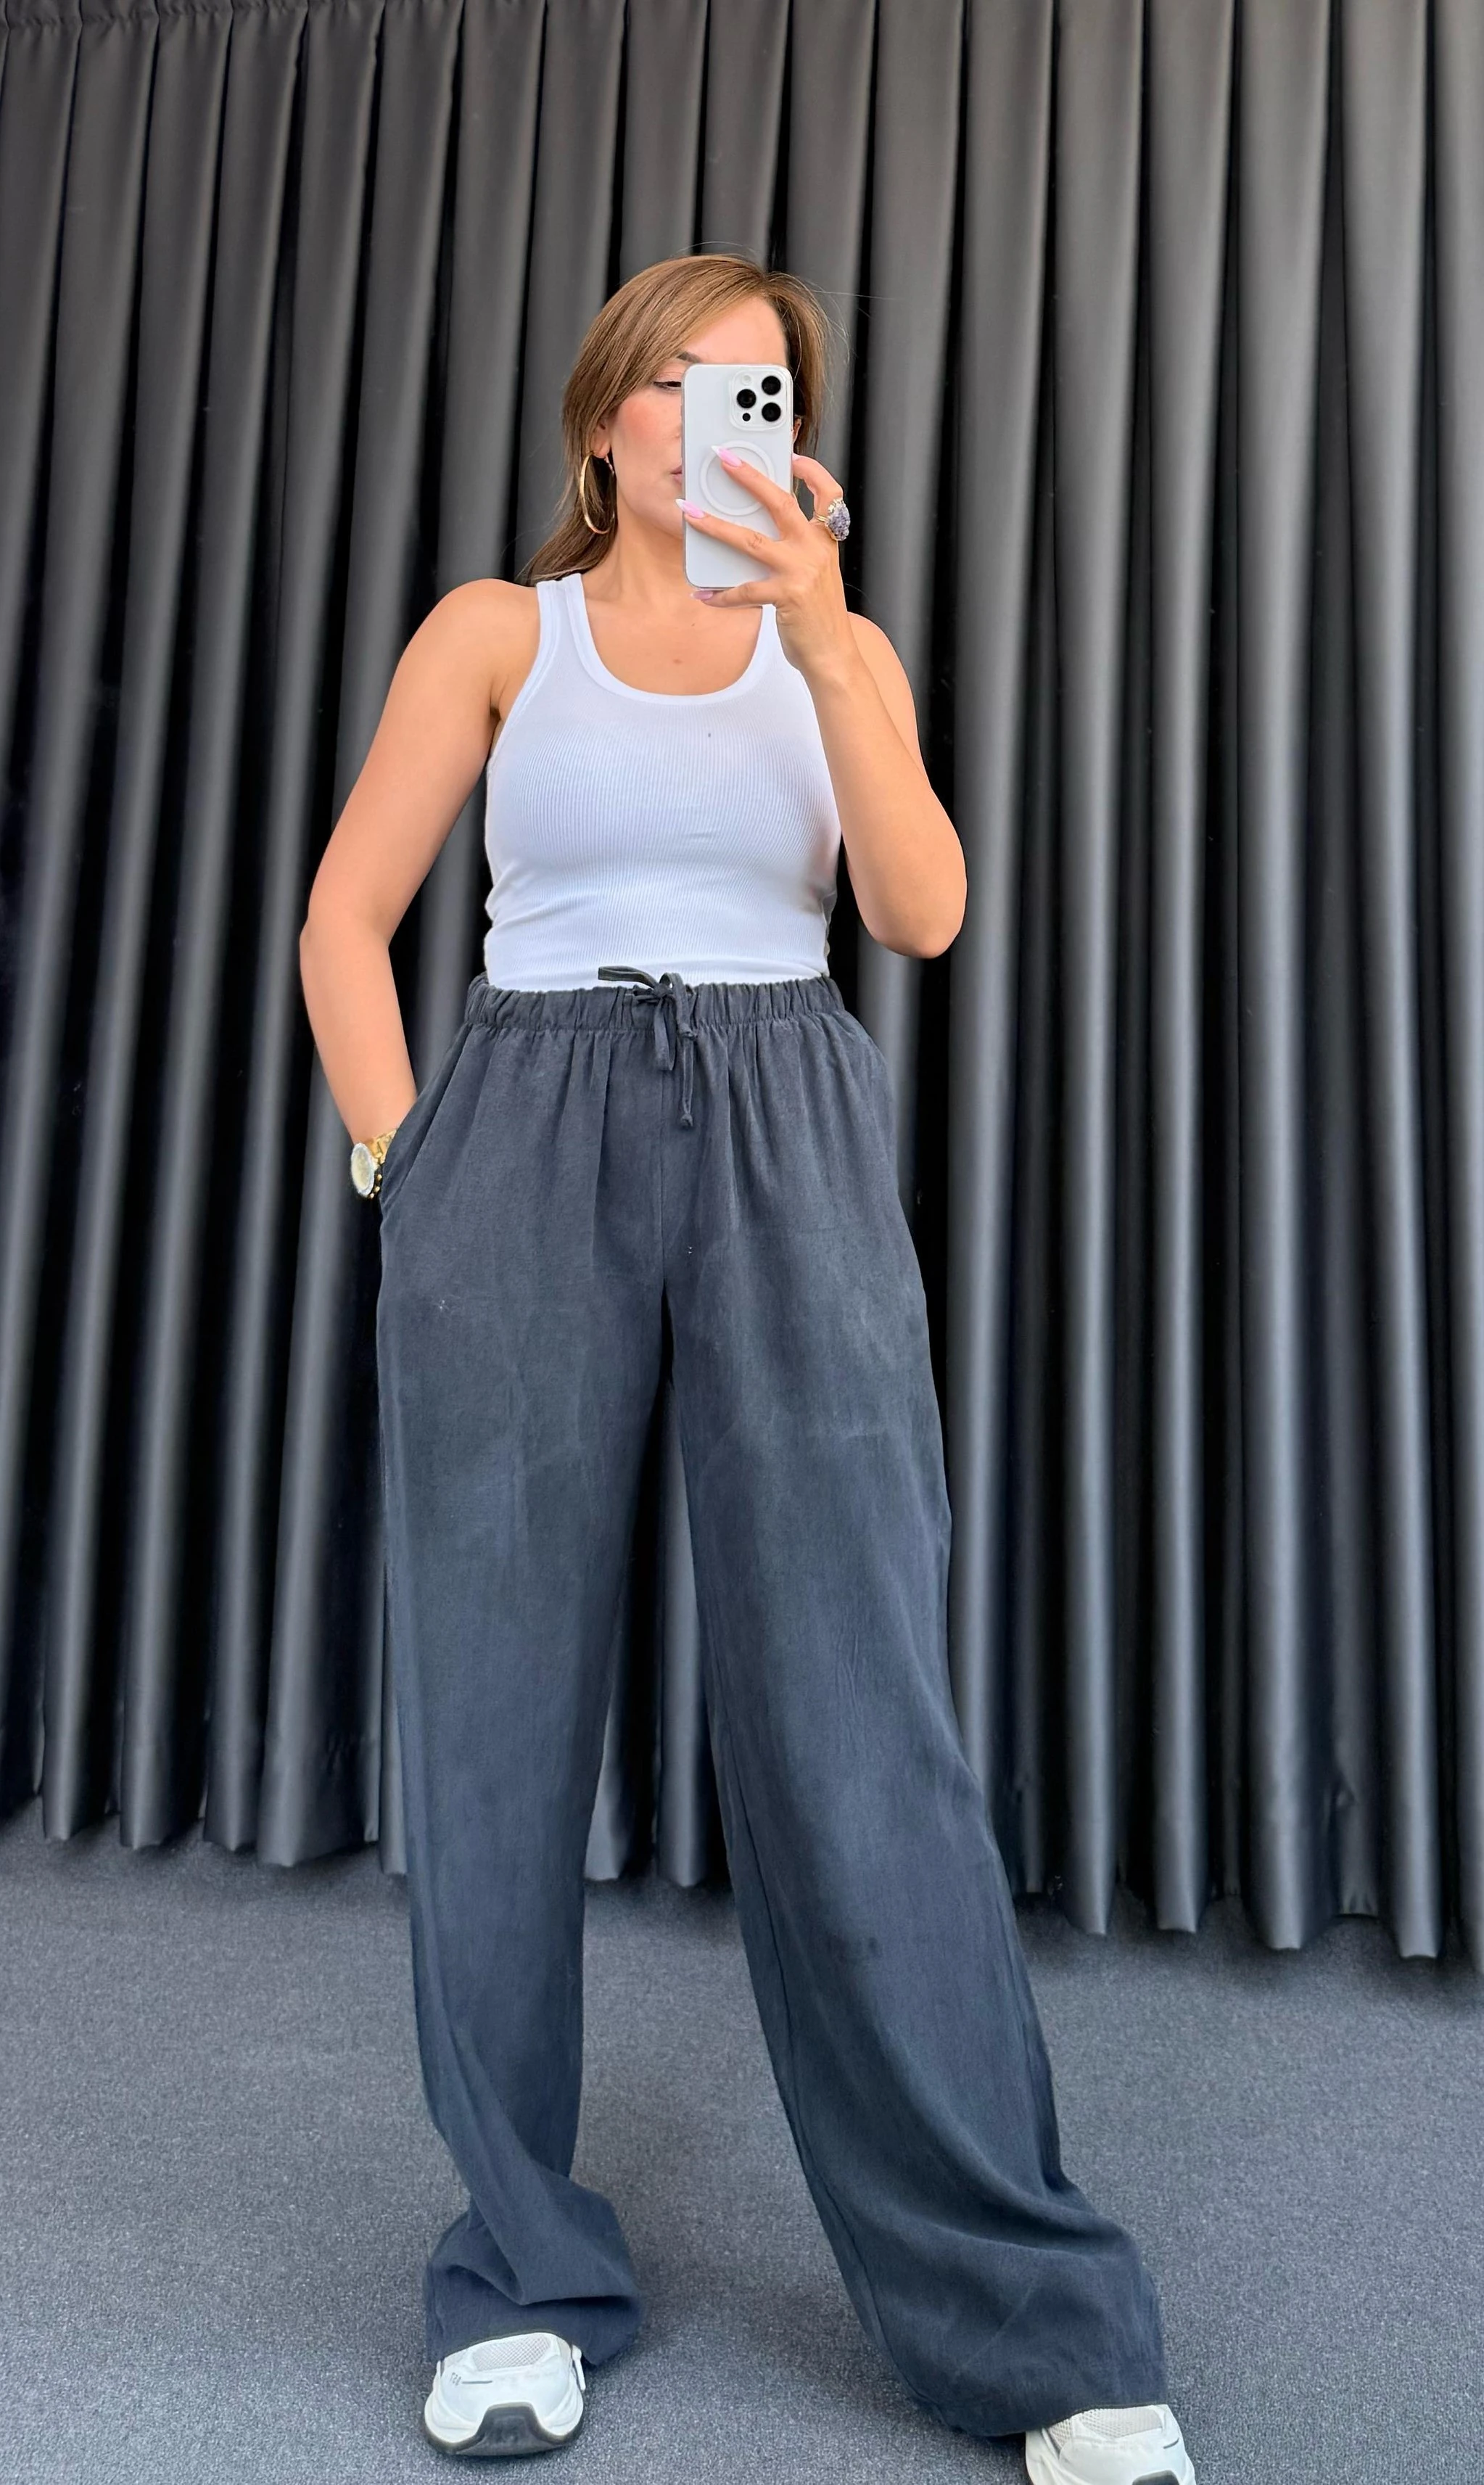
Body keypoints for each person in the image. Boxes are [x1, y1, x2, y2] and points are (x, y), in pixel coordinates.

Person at [298, 252, 1196, 2484]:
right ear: (608, 415)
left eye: (764, 389)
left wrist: (824, 640)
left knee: (857, 1709)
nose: (729, 422)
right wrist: (409, 1166)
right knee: (494, 1719)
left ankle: (1036, 2332)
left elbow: (919, 911)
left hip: (787, 1115)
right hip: (524, 1118)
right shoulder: (494, 632)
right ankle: (521, 2281)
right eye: (692, 384)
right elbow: (344, 918)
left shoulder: (838, 647)